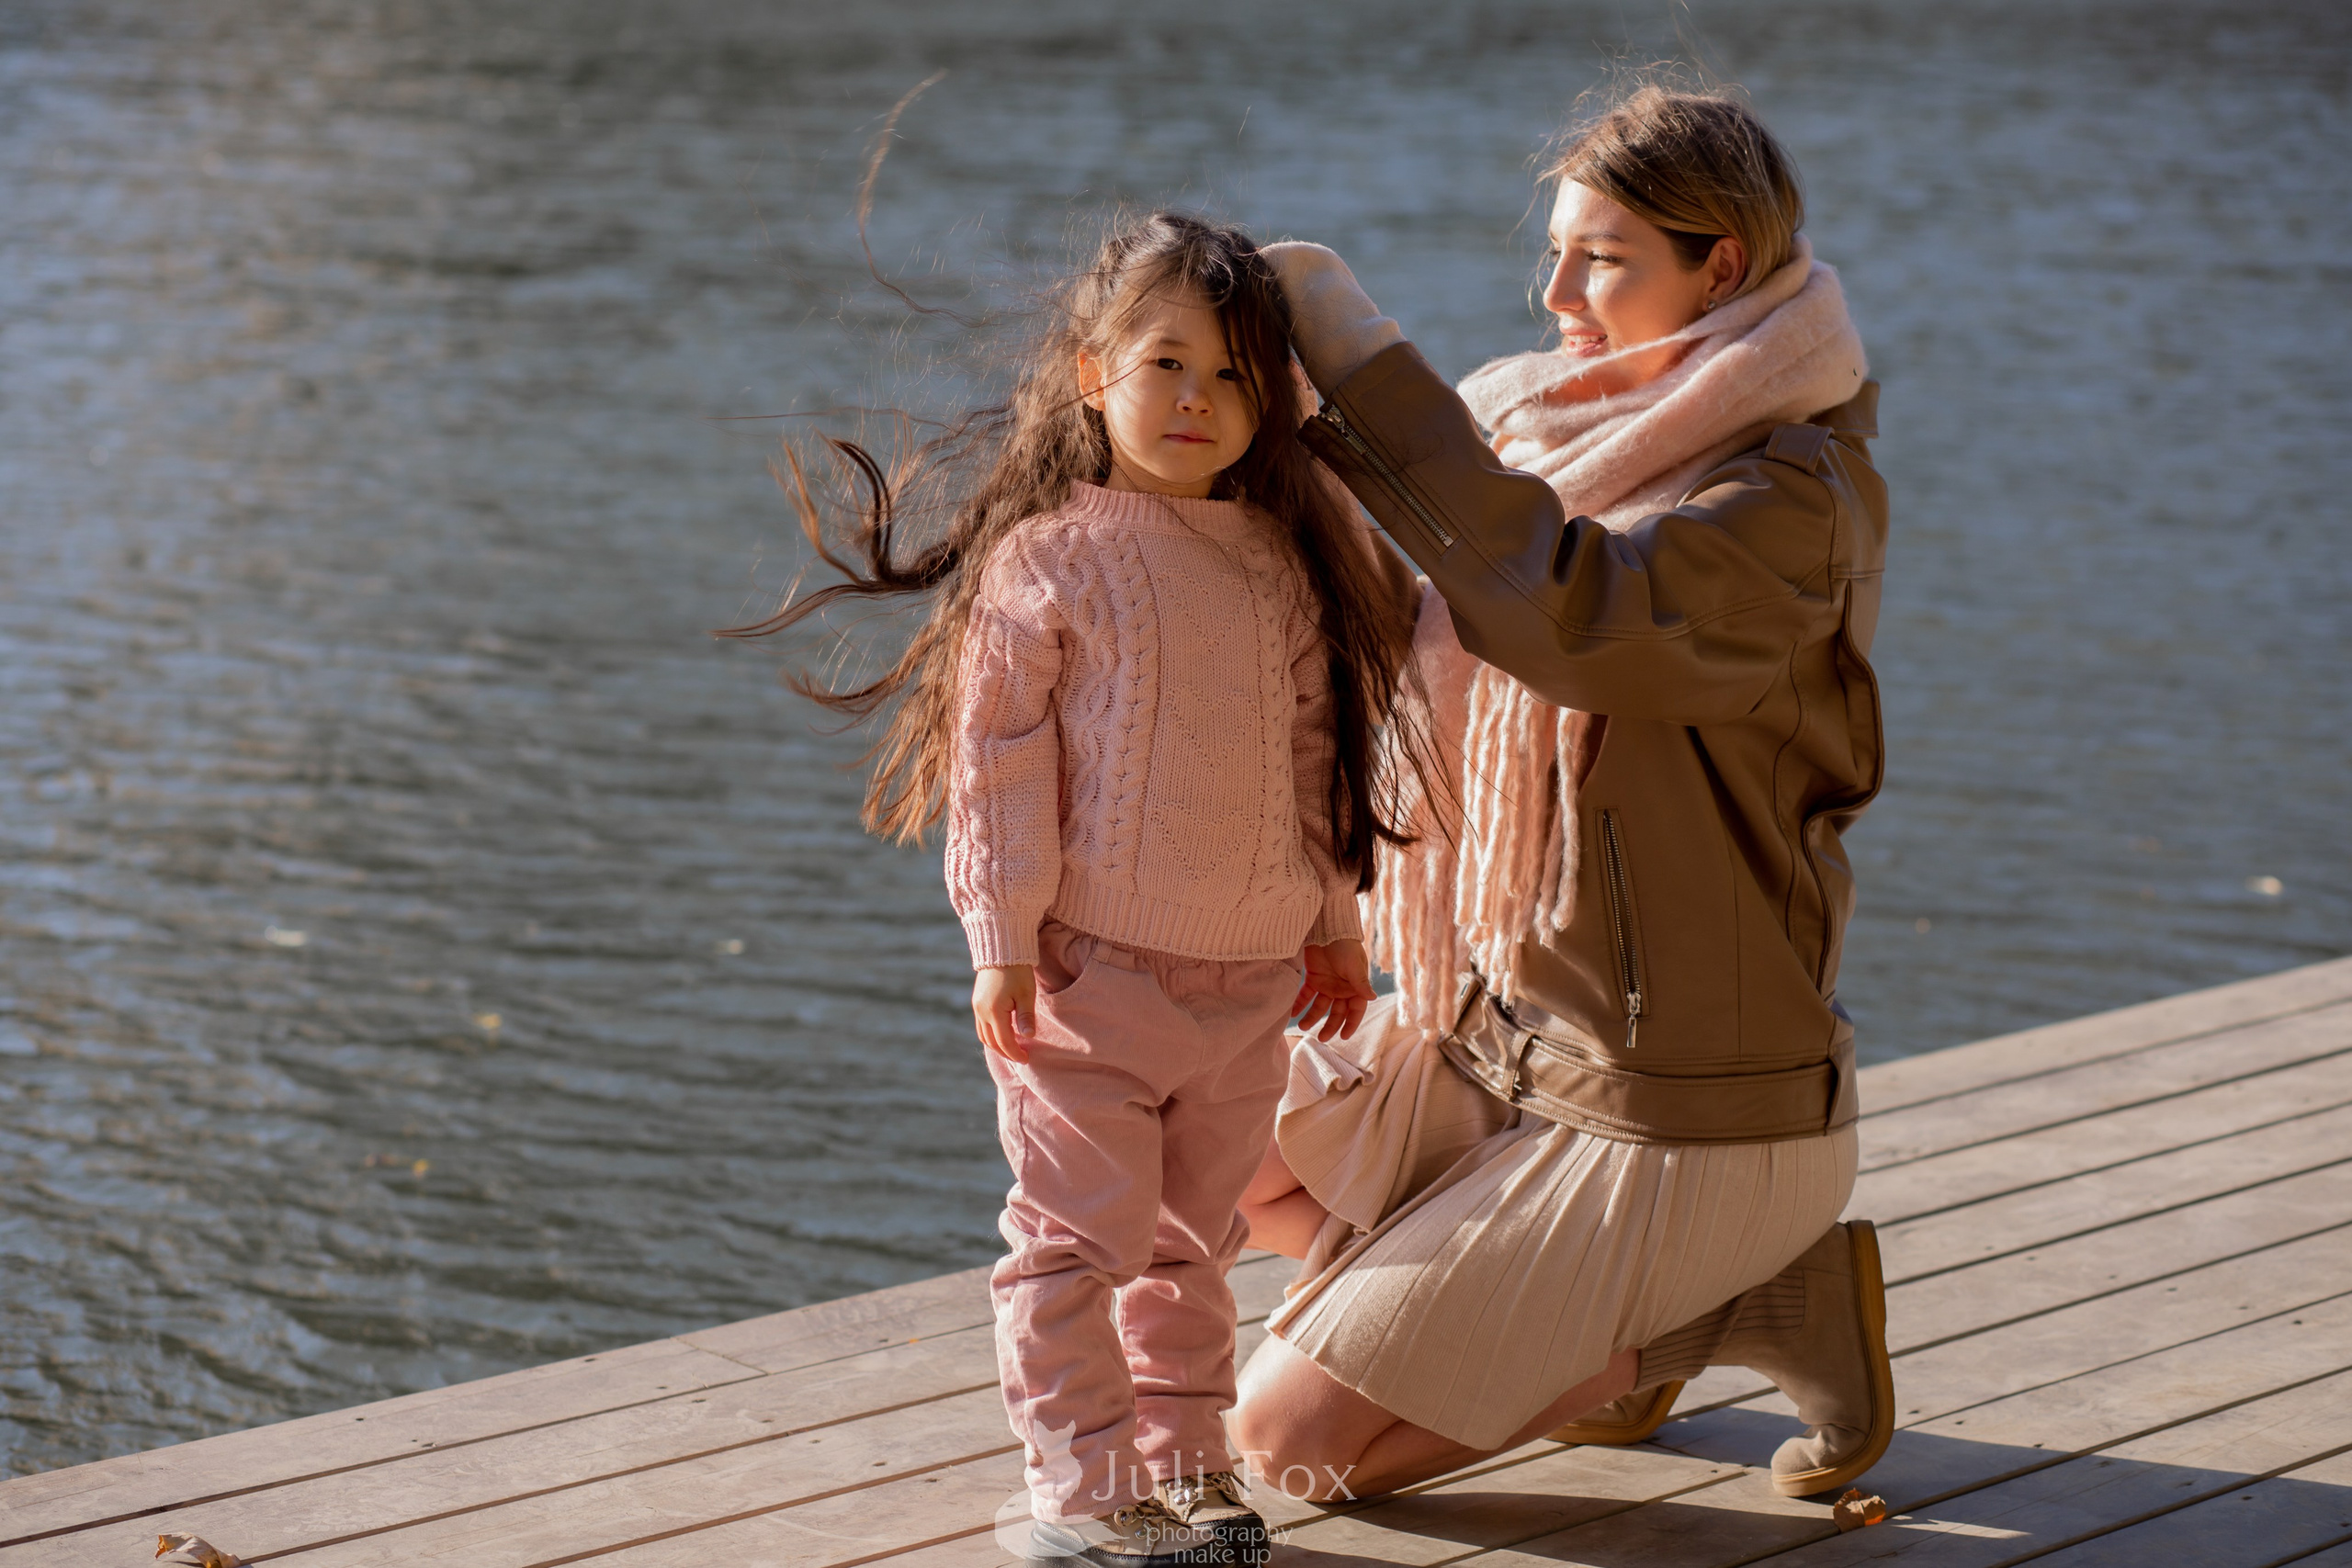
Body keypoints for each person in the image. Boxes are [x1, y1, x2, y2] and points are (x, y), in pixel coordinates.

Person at [1227, 85, 1897, 1505]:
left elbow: (1570, 613)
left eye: (1603, 257)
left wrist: (1355, 353)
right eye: (1556, 251)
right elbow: (1428, 565)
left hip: (1679, 1109)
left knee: (1284, 1442)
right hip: (1505, 1042)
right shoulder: (1550, 435)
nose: (1557, 296)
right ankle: (1557, 1323)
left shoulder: (1789, 506)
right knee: (1210, 1115)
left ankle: (1705, 1304)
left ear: (1722, 264)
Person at [723, 212, 1419, 1566]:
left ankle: (1183, 1467)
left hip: (1246, 981)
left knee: (1191, 1247)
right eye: (1167, 365)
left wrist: (1333, 923)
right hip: (1089, 974)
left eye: (1232, 377)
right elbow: (997, 767)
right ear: (1093, 373)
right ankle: (1082, 1486)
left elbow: (1309, 753)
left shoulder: (1275, 565)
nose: (1198, 401)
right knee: (1074, 1240)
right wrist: (1002, 942)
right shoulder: (1047, 558)